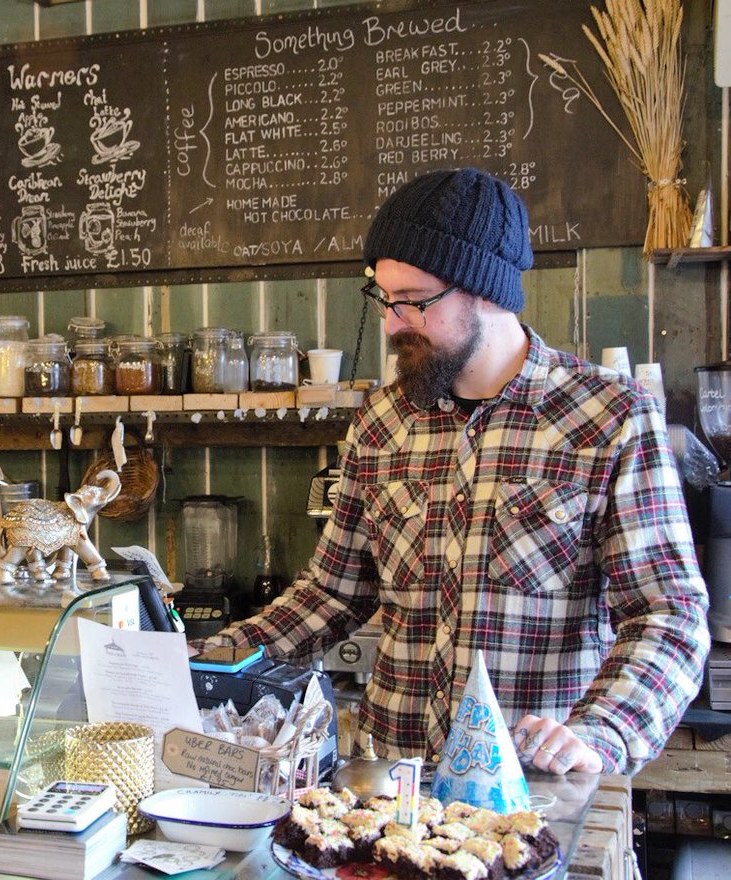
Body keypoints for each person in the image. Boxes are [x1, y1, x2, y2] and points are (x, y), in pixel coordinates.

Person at [190, 167, 710, 775]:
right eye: (384, 299)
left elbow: (667, 613)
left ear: (485, 291)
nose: (391, 322)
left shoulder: (609, 419)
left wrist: (599, 731)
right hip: (389, 788)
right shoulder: (382, 423)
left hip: (529, 792)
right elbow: (332, 594)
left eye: (412, 301)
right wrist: (216, 654)